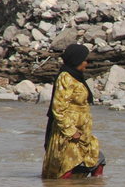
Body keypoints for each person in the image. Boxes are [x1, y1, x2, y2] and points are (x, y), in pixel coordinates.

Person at [42, 44, 105, 179]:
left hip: (82, 131)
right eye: (85, 60)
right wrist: (70, 131)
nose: (87, 63)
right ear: (76, 61)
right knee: (67, 166)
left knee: (98, 159)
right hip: (69, 134)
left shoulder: (77, 77)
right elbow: (58, 108)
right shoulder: (66, 78)